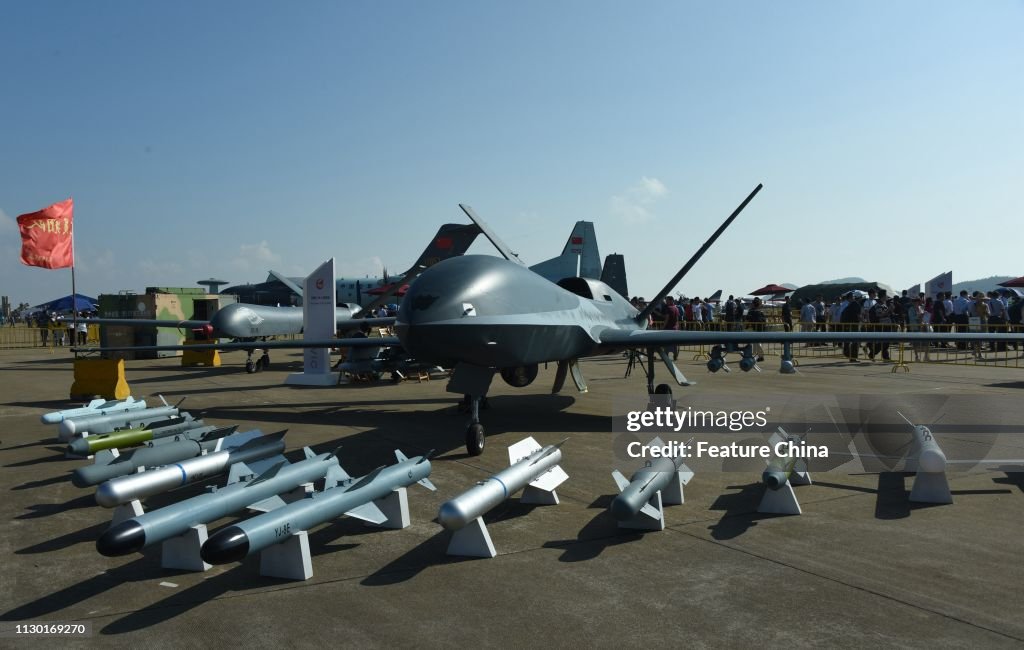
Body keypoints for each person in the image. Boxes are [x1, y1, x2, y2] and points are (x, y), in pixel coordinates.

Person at [745, 297, 766, 361]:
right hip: (760, 328)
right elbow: (764, 320)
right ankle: (756, 355)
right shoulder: (760, 311)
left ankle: (760, 356)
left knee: (756, 342)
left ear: (753, 304)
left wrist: (746, 326)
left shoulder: (751, 311)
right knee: (756, 342)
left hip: (755, 328)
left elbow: (748, 319)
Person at [662, 296, 680, 360]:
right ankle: (675, 356)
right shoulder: (676, 308)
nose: (666, 302)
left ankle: (666, 356)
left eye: (667, 300)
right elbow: (677, 319)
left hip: (668, 328)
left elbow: (667, 319)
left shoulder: (668, 308)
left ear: (671, 300)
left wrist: (663, 327)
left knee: (666, 343)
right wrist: (677, 327)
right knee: (674, 344)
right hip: (675, 328)